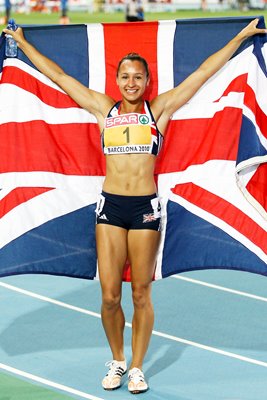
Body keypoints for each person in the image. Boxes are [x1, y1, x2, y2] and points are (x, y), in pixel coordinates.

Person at [3, 19, 266, 394]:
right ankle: (117, 360)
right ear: (118, 81)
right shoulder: (103, 110)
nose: (131, 82)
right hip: (110, 207)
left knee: (141, 292)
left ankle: (138, 367)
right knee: (110, 295)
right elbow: (60, 76)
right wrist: (23, 45)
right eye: (125, 76)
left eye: (137, 77)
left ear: (146, 82)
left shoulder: (158, 111)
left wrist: (239, 38)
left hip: (145, 209)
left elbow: (205, 71)